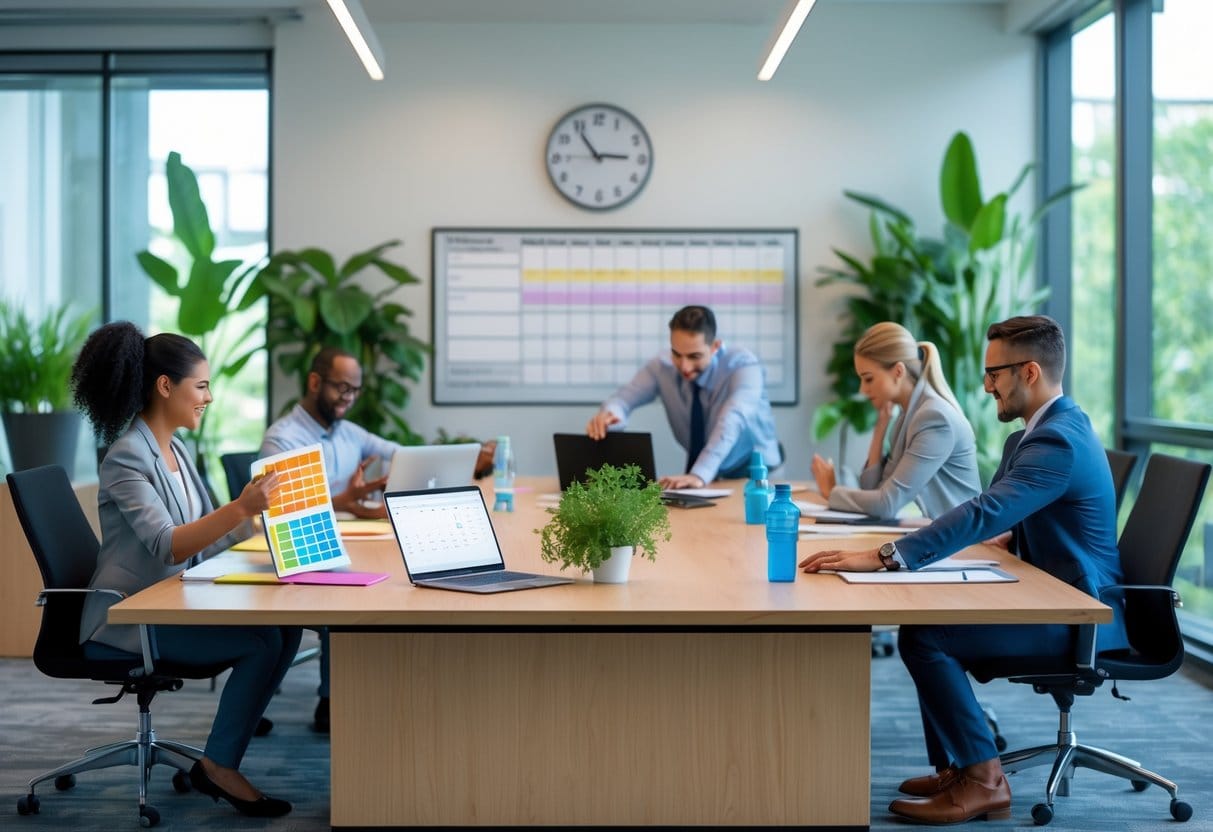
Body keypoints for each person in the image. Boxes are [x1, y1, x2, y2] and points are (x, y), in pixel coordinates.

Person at [800, 315, 1128, 825]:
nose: (985, 385)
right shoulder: (1029, 438)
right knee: (925, 627)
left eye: (995, 373)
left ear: (1031, 372)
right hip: (1052, 593)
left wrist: (887, 555)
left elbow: (983, 510)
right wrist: (1010, 536)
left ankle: (984, 780)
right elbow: (1017, 515)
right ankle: (958, 766)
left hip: (1081, 615)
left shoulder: (1057, 440)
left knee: (927, 636)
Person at [71, 322, 301, 818]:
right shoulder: (127, 457)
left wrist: (278, 541)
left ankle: (220, 759)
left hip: (177, 601)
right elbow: (167, 543)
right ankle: (218, 767)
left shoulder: (176, 449)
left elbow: (212, 529)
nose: (210, 397)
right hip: (131, 619)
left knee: (286, 626)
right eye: (201, 386)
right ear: (165, 387)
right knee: (260, 642)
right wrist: (241, 509)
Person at [259, 346, 401, 733]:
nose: (348, 398)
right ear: (315, 382)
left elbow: (400, 455)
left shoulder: (348, 433)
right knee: (362, 592)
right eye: (341, 388)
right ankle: (333, 700)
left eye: (355, 390)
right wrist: (348, 503)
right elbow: (288, 514)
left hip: (350, 542)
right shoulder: (283, 439)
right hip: (301, 552)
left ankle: (362, 695)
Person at [585, 305, 781, 489]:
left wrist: (699, 474)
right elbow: (623, 399)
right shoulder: (661, 366)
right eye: (677, 354)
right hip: (707, 473)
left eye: (694, 356)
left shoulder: (743, 365)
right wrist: (610, 416)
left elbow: (732, 419)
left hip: (757, 472)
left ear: (715, 346)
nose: (684, 366)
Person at [810, 322, 981, 520]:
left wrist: (832, 491)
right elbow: (875, 489)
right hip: (940, 538)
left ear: (898, 372)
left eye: (868, 379)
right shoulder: (907, 415)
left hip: (963, 544)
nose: (862, 390)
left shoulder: (934, 418)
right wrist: (880, 428)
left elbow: (887, 503)